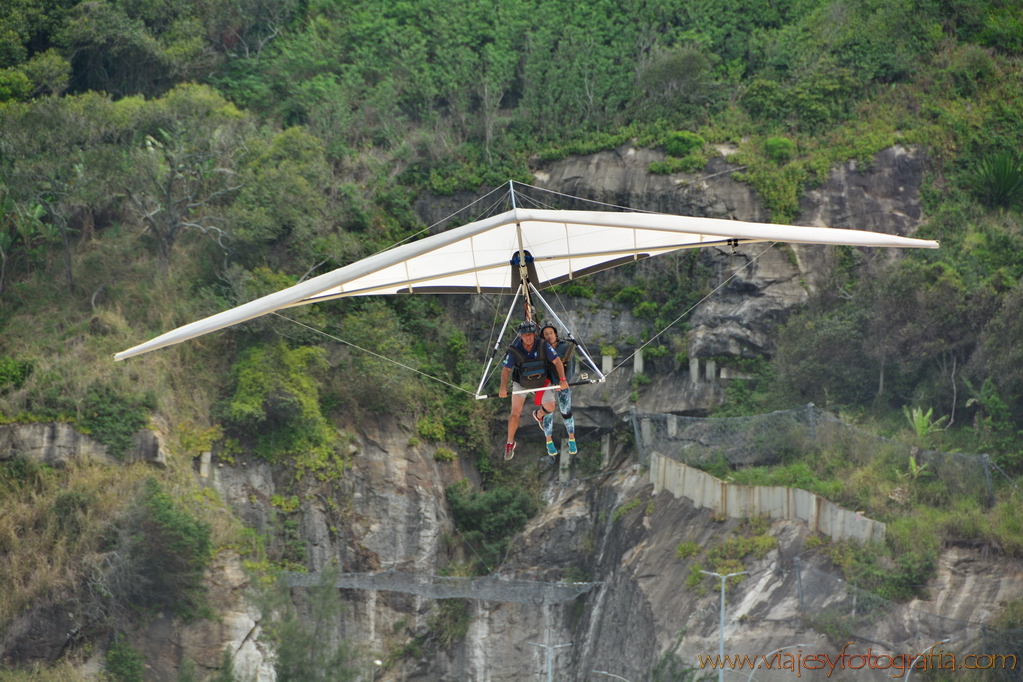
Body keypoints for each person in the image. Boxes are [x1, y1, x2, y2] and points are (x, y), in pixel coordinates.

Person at [499, 320, 569, 460]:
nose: (528, 338)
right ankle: (510, 442)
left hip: (541, 381)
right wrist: (503, 388)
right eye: (525, 335)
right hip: (521, 383)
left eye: (530, 335)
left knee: (550, 406)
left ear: (534, 334)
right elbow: (506, 370)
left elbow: (557, 361)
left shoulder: (543, 345)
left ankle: (538, 414)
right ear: (521, 336)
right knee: (515, 413)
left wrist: (562, 379)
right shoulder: (515, 349)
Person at [532, 323, 578, 456]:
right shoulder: (540, 349)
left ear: (555, 334)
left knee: (566, 411)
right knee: (548, 411)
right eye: (546, 334)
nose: (549, 336)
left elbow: (570, 365)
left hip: (562, 382)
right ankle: (549, 442)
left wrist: (564, 381)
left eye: (551, 333)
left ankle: (572, 439)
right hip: (547, 382)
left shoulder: (565, 346)